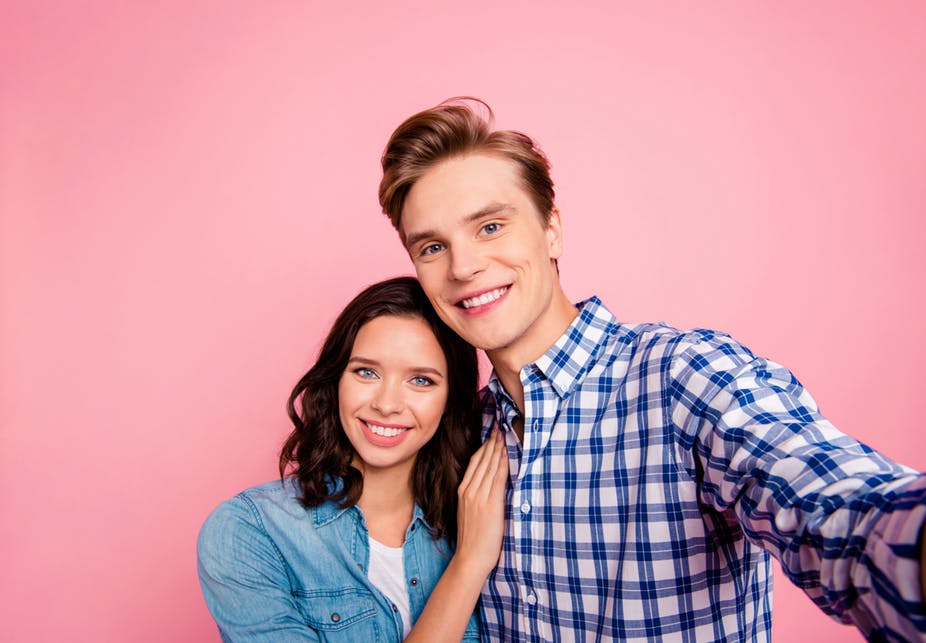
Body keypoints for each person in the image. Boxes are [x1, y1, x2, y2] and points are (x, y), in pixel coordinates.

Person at [376, 98, 926, 641]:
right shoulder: (461, 434)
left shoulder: (683, 377)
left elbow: (831, 500)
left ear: (552, 231)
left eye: (491, 227)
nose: (465, 266)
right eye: (431, 247)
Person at [197, 276, 508, 642]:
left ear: (449, 400)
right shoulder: (249, 532)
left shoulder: (476, 519)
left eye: (421, 380)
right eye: (366, 372)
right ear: (336, 380)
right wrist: (467, 567)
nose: (387, 404)